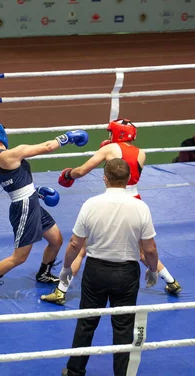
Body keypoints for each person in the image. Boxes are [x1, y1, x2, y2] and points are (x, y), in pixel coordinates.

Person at [41, 118, 181, 306]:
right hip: (135, 200)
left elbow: (82, 170)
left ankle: (61, 291)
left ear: (118, 133)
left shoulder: (109, 149)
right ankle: (171, 282)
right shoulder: (142, 153)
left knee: (81, 248)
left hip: (113, 200)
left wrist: (68, 174)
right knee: (141, 251)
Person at [60, 158, 159, 376]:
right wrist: (153, 270)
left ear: (105, 178)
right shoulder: (140, 207)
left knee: (86, 322)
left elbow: (75, 243)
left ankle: (75, 373)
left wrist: (65, 268)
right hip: (127, 273)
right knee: (124, 327)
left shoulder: (91, 204)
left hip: (96, 270)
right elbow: (151, 249)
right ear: (128, 181)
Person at [0, 122, 89, 303]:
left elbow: (15, 182)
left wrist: (36, 191)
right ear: (1, 135)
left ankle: (44, 273)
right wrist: (67, 137)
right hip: (24, 207)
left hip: (30, 201)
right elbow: (47, 147)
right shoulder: (7, 155)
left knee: (56, 240)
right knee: (19, 257)